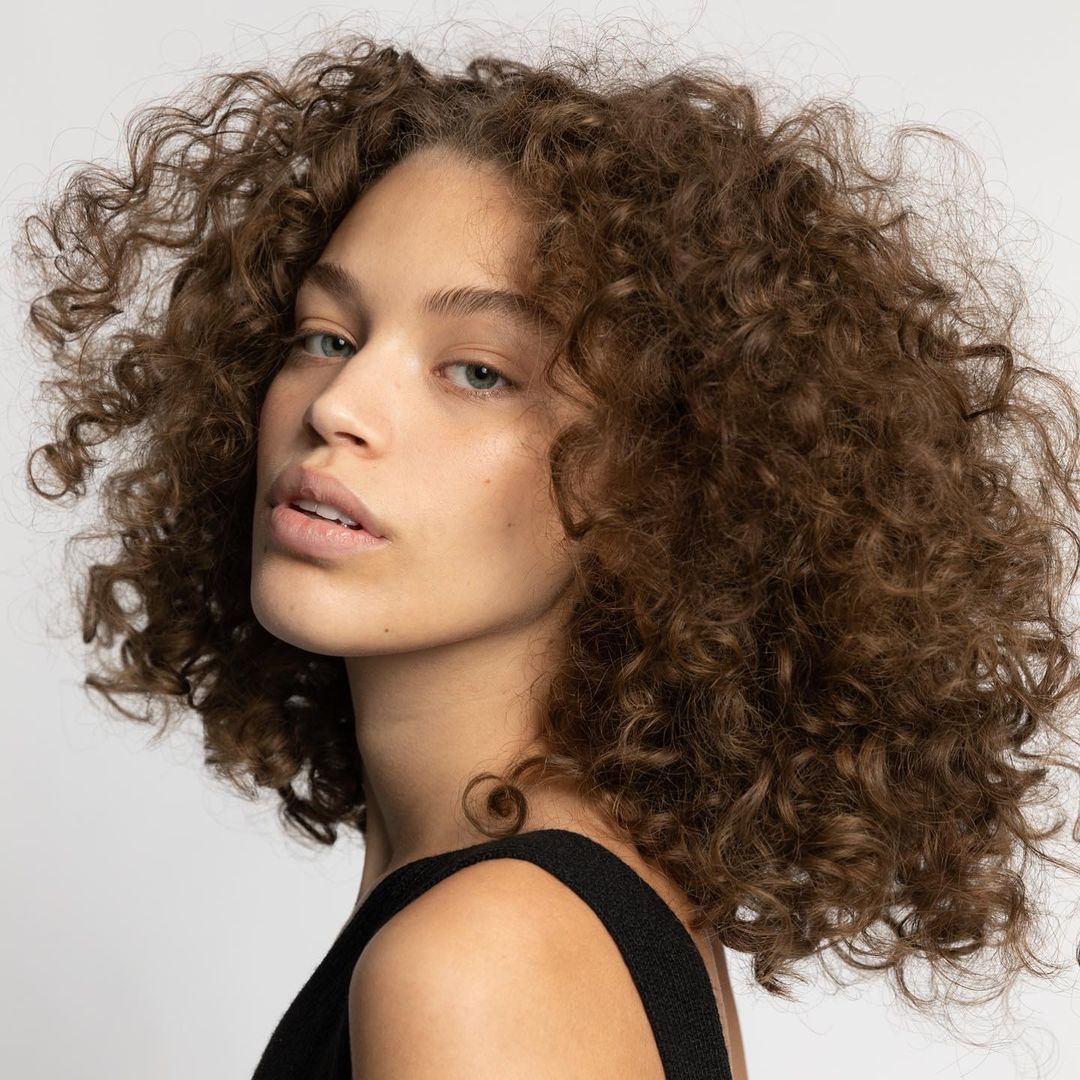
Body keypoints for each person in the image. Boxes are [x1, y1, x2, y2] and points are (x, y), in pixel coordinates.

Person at [15, 20, 1080, 1080]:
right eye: (326, 337)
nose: (338, 404)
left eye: (478, 371)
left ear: (658, 477)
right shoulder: (548, 906)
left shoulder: (482, 959)